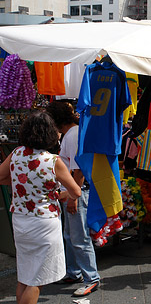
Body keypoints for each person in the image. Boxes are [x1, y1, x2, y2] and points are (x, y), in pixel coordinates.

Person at [0, 111, 81, 304]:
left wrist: (21, 185)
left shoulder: (16, 153)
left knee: (26, 275)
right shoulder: (53, 161)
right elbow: (76, 192)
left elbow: (1, 176)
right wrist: (56, 194)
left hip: (20, 220)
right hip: (44, 223)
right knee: (38, 279)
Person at [46, 101, 101, 297]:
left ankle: (91, 278)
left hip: (76, 192)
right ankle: (74, 272)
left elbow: (79, 170)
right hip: (73, 191)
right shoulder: (73, 134)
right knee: (72, 236)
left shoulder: (72, 136)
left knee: (79, 238)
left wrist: (72, 196)